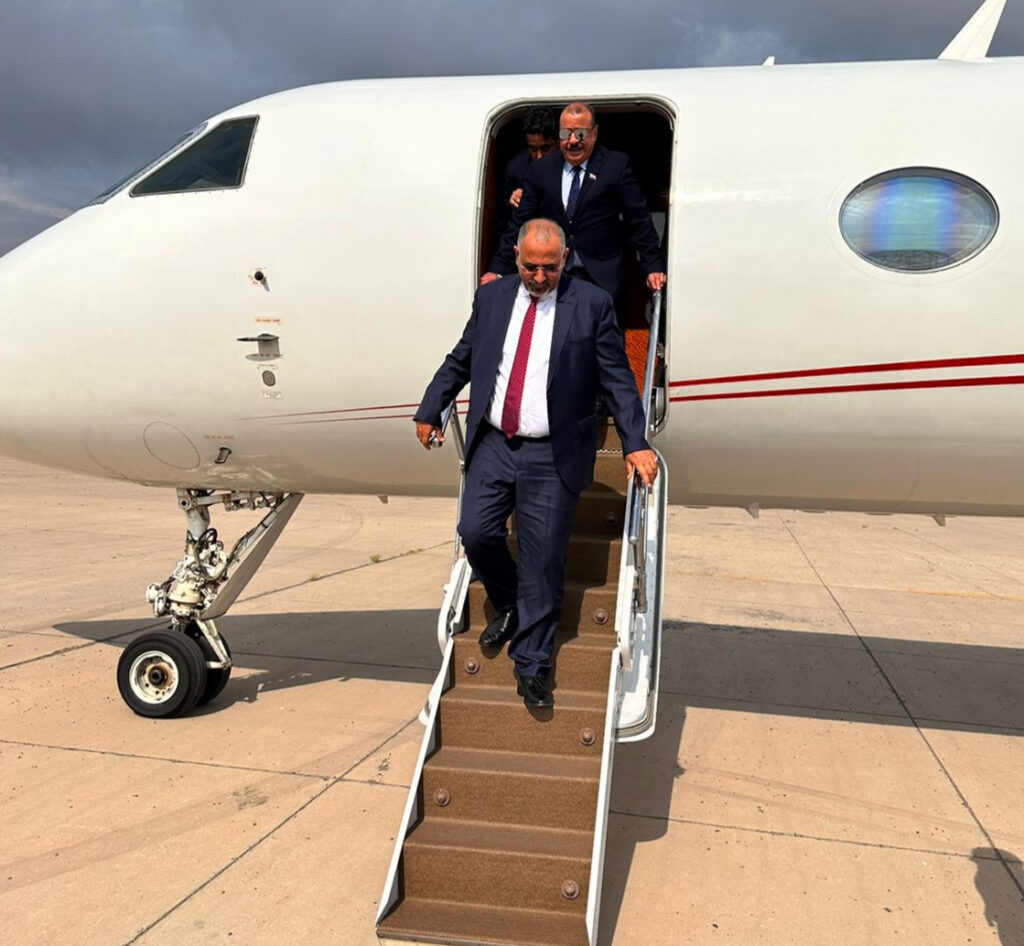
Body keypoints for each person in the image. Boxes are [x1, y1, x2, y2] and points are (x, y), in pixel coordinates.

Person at [414, 219, 658, 709]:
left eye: (549, 267)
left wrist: (635, 441)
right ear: (516, 258)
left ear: (564, 260)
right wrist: (431, 407)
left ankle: (531, 664)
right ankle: (508, 602)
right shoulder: (492, 298)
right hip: (495, 442)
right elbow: (462, 358)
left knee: (543, 560)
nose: (540, 277)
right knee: (475, 531)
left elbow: (616, 378)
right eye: (531, 267)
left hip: (552, 450)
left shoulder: (591, 304)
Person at [483, 102, 667, 314]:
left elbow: (638, 221)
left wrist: (653, 266)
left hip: (602, 278)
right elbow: (519, 224)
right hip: (554, 279)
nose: (572, 141)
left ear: (594, 133)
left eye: (580, 133)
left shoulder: (615, 166)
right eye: (565, 133)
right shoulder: (540, 170)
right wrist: (497, 270)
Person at [501, 106, 558, 212]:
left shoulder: (570, 164)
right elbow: (505, 216)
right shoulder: (516, 170)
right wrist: (513, 202)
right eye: (533, 149)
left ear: (558, 143)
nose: (539, 156)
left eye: (545, 148)